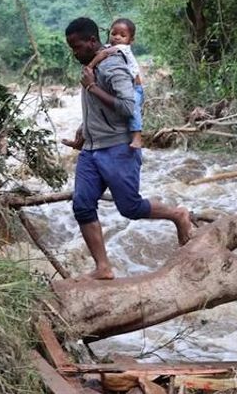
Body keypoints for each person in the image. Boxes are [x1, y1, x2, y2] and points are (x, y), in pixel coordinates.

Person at [61, 17, 193, 280]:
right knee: (82, 205)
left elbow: (128, 107)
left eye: (77, 46)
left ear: (92, 40)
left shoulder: (113, 66)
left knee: (130, 208)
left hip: (118, 149)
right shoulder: (90, 66)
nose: (74, 52)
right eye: (71, 48)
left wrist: (93, 87)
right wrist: (83, 130)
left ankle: (178, 214)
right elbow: (97, 107)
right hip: (91, 149)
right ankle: (103, 268)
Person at [87, 18, 144, 148]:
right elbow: (103, 51)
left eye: (123, 35)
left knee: (133, 111)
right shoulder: (111, 47)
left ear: (131, 40)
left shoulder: (122, 48)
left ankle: (137, 137)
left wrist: (90, 65)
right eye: (114, 34)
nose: (117, 37)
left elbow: (104, 53)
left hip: (136, 88)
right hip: (130, 86)